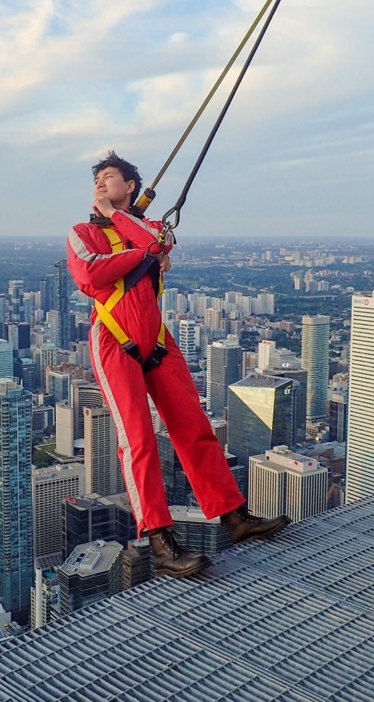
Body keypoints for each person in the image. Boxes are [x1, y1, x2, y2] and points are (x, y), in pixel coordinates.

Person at [67, 152, 290, 578]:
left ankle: (234, 517)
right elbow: (90, 275)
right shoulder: (81, 232)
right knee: (139, 439)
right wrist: (140, 252)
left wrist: (125, 225)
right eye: (96, 179)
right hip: (113, 337)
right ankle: (161, 543)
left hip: (157, 339)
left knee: (194, 427)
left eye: (109, 177)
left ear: (131, 185)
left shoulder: (147, 226)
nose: (99, 183)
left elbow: (160, 242)